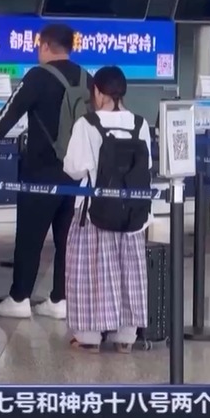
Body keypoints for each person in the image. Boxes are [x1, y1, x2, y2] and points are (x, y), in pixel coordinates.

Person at [0, 23, 90, 320]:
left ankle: (19, 298)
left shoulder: (37, 76)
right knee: (67, 239)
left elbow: (8, 115)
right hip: (77, 174)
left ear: (45, 46)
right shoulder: (86, 77)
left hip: (40, 172)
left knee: (30, 237)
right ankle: (60, 299)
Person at [61, 66, 150, 353]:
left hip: (94, 213)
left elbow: (74, 168)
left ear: (98, 92)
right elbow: (146, 166)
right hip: (131, 215)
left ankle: (88, 337)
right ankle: (125, 337)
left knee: (89, 274)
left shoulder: (86, 124)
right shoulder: (140, 124)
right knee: (129, 274)